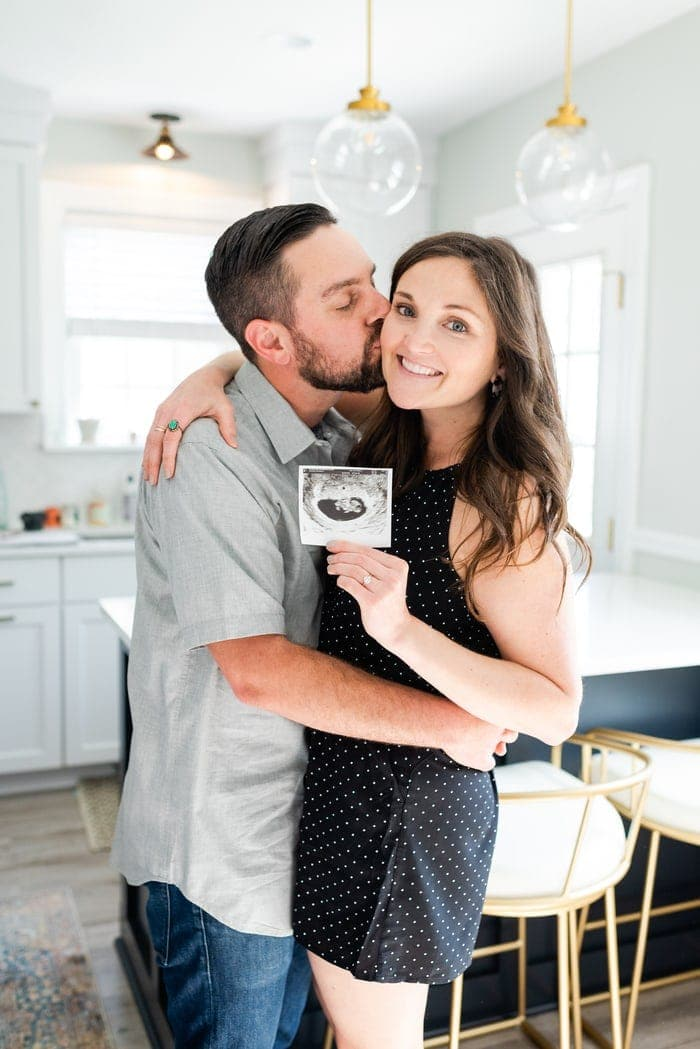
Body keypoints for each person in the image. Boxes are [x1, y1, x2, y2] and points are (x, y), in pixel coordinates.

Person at [145, 228, 587, 1048]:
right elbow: (271, 361)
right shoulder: (389, 427)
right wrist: (194, 382)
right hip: (341, 795)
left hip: (408, 813)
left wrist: (404, 630)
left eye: (457, 324)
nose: (409, 335)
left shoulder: (501, 497)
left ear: (503, 358)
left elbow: (557, 708)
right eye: (407, 305)